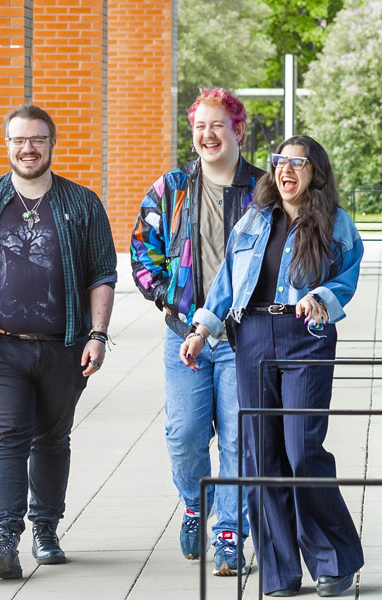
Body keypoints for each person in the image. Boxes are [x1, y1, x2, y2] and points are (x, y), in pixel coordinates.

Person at [181, 135, 364, 597]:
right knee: (261, 456)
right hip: (254, 338)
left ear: (315, 173)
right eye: (280, 162)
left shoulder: (336, 224)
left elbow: (347, 277)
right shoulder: (255, 219)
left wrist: (320, 298)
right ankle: (280, 571)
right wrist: (203, 329)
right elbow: (227, 279)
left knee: (302, 451)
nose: (286, 170)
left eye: (297, 163)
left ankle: (334, 560)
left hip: (307, 337)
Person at [0, 104, 117, 580]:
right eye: (19, 140)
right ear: (7, 145)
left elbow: (103, 273)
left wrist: (98, 334)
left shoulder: (81, 203)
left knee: (51, 439)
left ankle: (45, 526)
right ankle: (3, 539)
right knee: (5, 441)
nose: (28, 148)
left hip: (63, 345)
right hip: (0, 348)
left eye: (37, 139)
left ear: (51, 144)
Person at [130, 88, 263, 575]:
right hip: (183, 334)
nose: (207, 135)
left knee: (237, 439)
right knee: (184, 435)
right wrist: (170, 297)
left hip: (242, 338)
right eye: (199, 127)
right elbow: (144, 251)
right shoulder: (170, 189)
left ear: (238, 131)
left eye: (217, 126)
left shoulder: (263, 191)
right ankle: (194, 502)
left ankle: (229, 534)